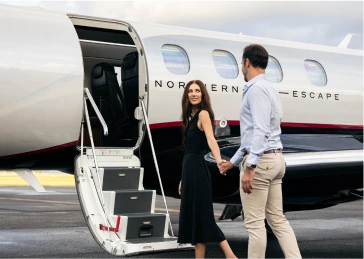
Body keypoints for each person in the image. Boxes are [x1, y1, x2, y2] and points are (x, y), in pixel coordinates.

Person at [220, 44, 302, 259]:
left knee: (254, 224)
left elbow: (260, 130)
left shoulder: (255, 90)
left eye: (241, 62)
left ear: (247, 62)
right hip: (275, 160)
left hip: (261, 162)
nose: (241, 66)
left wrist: (250, 166)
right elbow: (253, 135)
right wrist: (234, 161)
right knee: (277, 220)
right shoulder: (270, 89)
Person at [177, 80, 237, 259]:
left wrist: (219, 161)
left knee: (203, 217)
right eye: (190, 91)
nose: (193, 94)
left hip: (197, 171)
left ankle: (230, 256)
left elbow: (211, 140)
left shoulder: (203, 114)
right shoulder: (190, 119)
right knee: (197, 219)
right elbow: (188, 151)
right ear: (186, 95)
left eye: (197, 91)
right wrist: (182, 178)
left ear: (203, 94)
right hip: (190, 172)